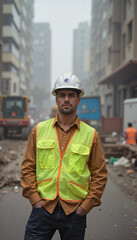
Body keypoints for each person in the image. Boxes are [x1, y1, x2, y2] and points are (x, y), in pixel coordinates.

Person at [21, 73, 108, 240]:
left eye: (71, 95)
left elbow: (100, 175)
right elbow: (27, 167)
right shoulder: (39, 130)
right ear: (56, 99)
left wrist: (85, 207)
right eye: (62, 95)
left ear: (78, 100)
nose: (66, 99)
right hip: (43, 209)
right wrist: (35, 200)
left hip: (75, 213)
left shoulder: (91, 135)